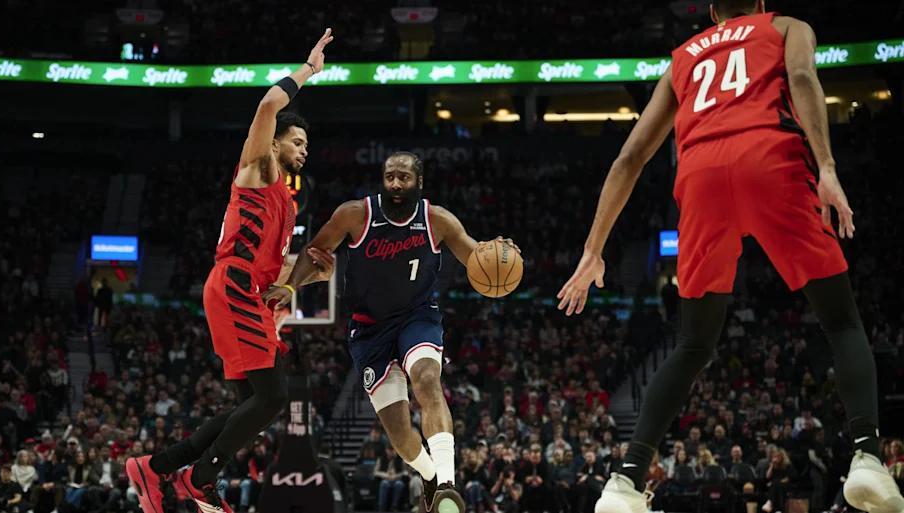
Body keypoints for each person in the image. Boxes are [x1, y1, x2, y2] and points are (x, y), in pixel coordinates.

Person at [556, 1, 904, 512]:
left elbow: (630, 156)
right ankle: (868, 457)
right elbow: (802, 79)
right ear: (760, 4)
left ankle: (624, 483)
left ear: (713, 12)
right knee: (841, 322)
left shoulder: (682, 57)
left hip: (700, 177)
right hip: (769, 161)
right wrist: (827, 166)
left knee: (693, 344)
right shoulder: (786, 26)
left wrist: (593, 249)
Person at [125, 29, 336, 513]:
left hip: (247, 290)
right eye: (297, 141)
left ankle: (155, 469)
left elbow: (278, 270)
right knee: (274, 397)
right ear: (275, 142)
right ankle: (199, 479)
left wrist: (307, 278)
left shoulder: (286, 203)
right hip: (234, 285)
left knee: (252, 406)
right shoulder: (259, 167)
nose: (304, 149)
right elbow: (268, 105)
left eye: (307, 144)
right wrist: (309, 69)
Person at [266, 151, 520, 513]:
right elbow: (315, 250)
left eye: (404, 177)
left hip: (418, 317)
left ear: (419, 182)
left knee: (427, 379)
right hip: (370, 329)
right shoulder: (355, 215)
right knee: (400, 436)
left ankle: (447, 485)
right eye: (390, 177)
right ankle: (430, 475)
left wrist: (501, 255)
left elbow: (479, 259)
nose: (396, 184)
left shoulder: (437, 220)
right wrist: (291, 286)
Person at [375, 446, 407, 512]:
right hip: (385, 479)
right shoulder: (381, 459)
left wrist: (396, 476)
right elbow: (375, 472)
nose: (391, 452)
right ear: (386, 450)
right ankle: (382, 506)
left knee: (399, 484)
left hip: (397, 479)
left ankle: (394, 506)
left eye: (393, 450)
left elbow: (405, 472)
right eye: (390, 450)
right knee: (384, 483)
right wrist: (385, 475)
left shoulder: (400, 459)